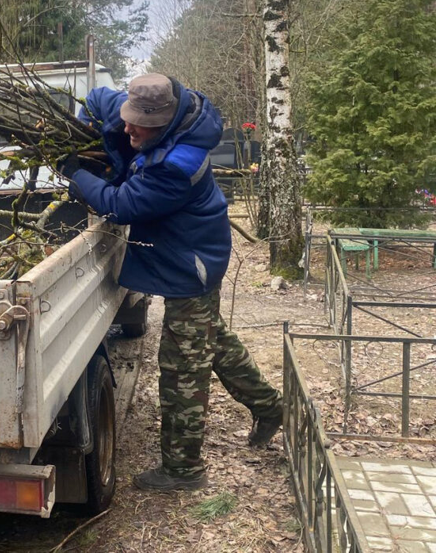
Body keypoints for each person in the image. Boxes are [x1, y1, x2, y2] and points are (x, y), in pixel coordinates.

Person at [59, 73, 284, 491]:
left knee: (182, 366)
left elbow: (120, 205)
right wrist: (83, 130)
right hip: (192, 249)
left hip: (191, 264)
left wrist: (77, 174)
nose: (127, 128)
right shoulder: (146, 107)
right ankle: (270, 407)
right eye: (126, 119)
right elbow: (95, 99)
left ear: (162, 124)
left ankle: (184, 470)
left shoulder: (179, 165)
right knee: (207, 338)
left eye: (137, 127)